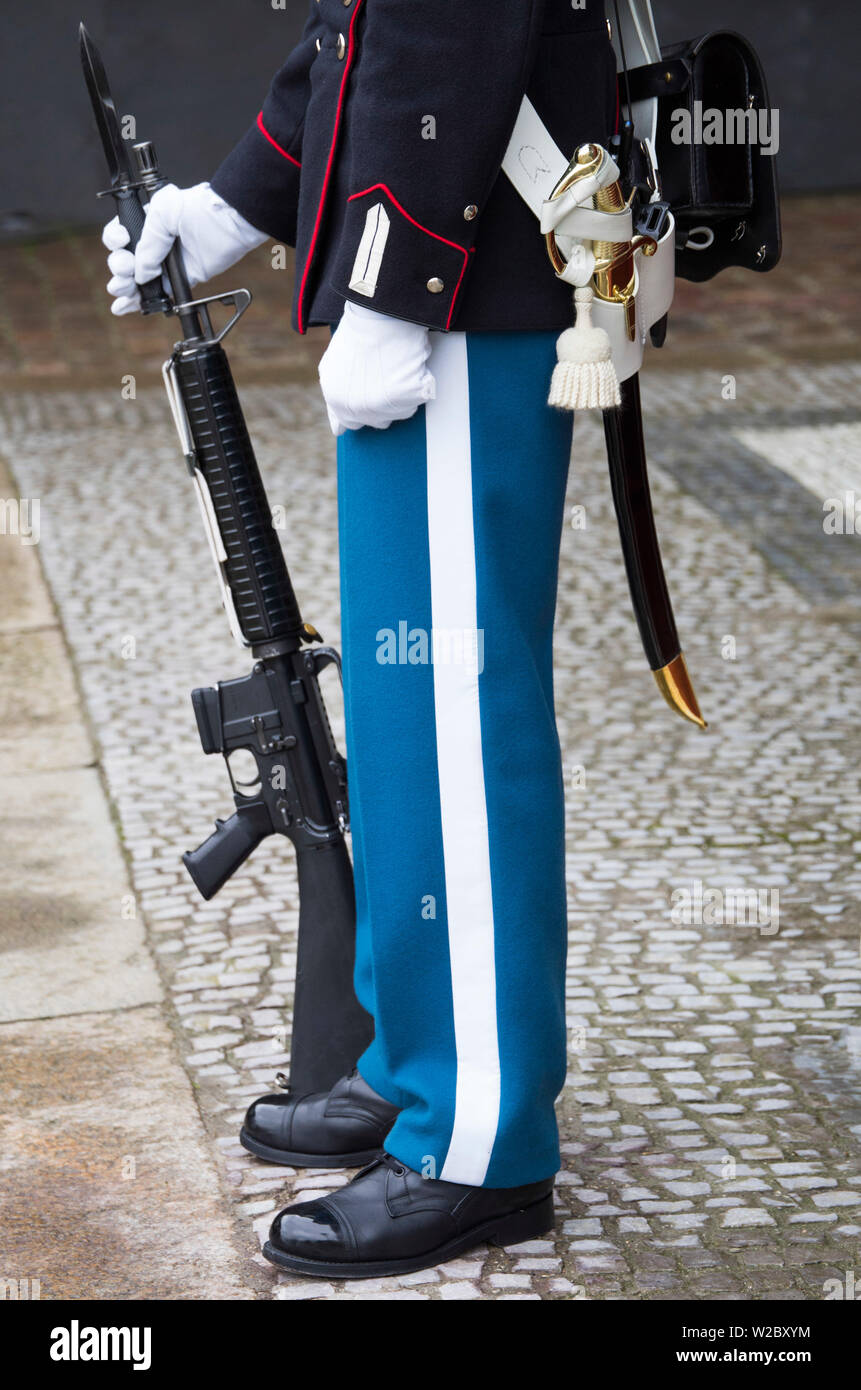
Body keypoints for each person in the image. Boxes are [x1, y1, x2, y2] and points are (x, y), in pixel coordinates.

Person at [103, 0, 617, 1279]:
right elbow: (367, 23)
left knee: (454, 724)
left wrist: (398, 278)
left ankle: (481, 1144)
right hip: (454, 251)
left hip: (468, 267)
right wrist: (236, 203)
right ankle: (417, 1062)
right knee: (405, 727)